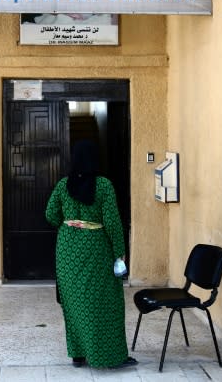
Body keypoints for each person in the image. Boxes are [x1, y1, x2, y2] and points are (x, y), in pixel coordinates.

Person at [45, 139, 137, 369]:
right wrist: (120, 252)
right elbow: (113, 223)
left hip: (67, 249)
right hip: (96, 248)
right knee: (105, 302)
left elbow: (50, 214)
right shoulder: (103, 185)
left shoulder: (63, 185)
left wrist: (68, 224)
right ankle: (109, 357)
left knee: (74, 301)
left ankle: (78, 355)